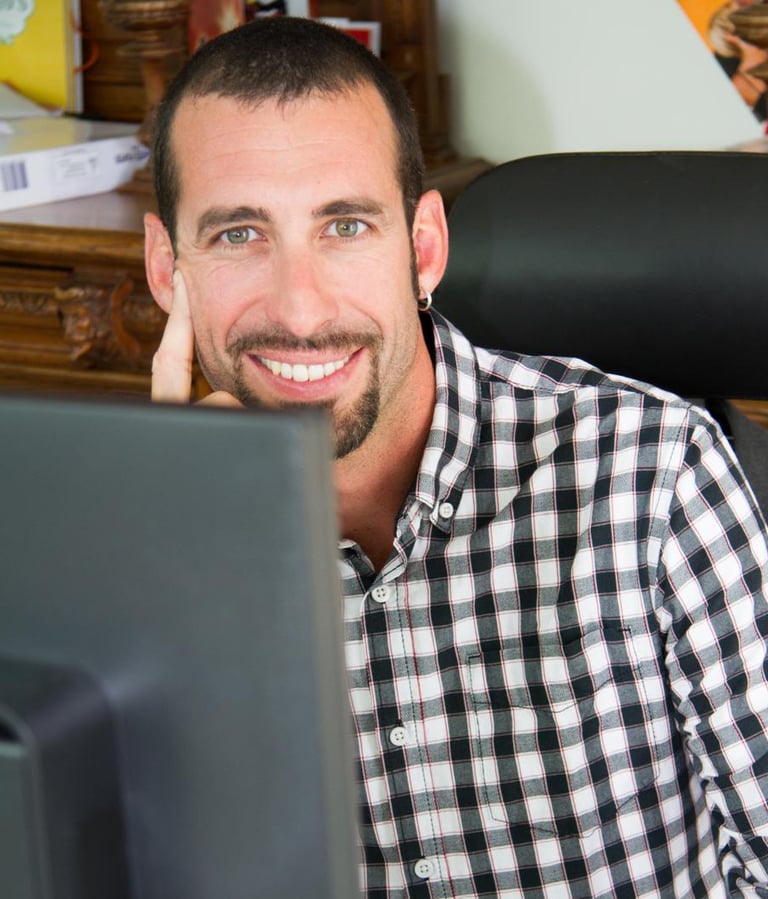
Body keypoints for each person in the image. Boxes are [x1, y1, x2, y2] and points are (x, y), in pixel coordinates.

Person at [145, 16, 768, 898]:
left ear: (424, 249)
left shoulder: (653, 472)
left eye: (345, 225)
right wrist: (160, 574)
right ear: (167, 268)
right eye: (238, 235)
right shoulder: (132, 542)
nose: (300, 308)